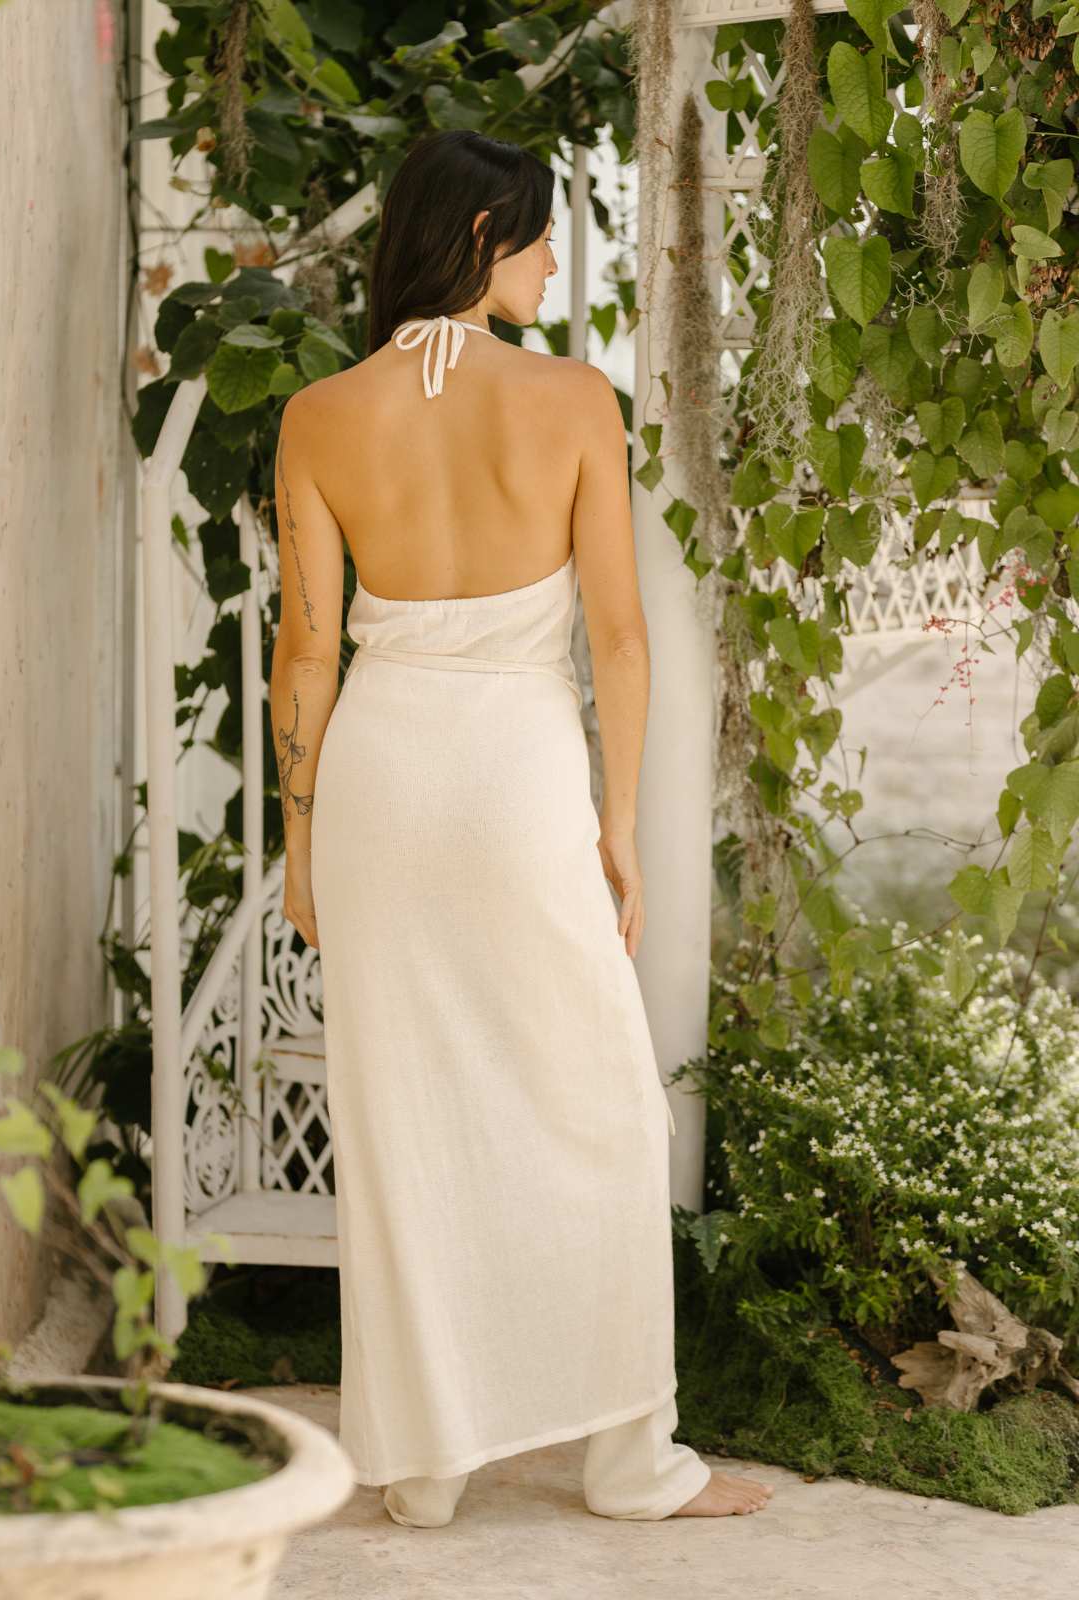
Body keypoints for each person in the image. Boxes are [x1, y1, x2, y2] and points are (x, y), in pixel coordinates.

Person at [268, 128, 773, 1526]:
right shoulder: (571, 403)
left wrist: (303, 850)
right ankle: (627, 1461)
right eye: (542, 236)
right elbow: (617, 632)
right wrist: (618, 823)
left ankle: (424, 1472)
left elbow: (306, 658)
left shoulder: (317, 415)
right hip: (514, 768)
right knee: (602, 1103)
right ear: (485, 234)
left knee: (401, 1106)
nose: (554, 261)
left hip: (380, 772)